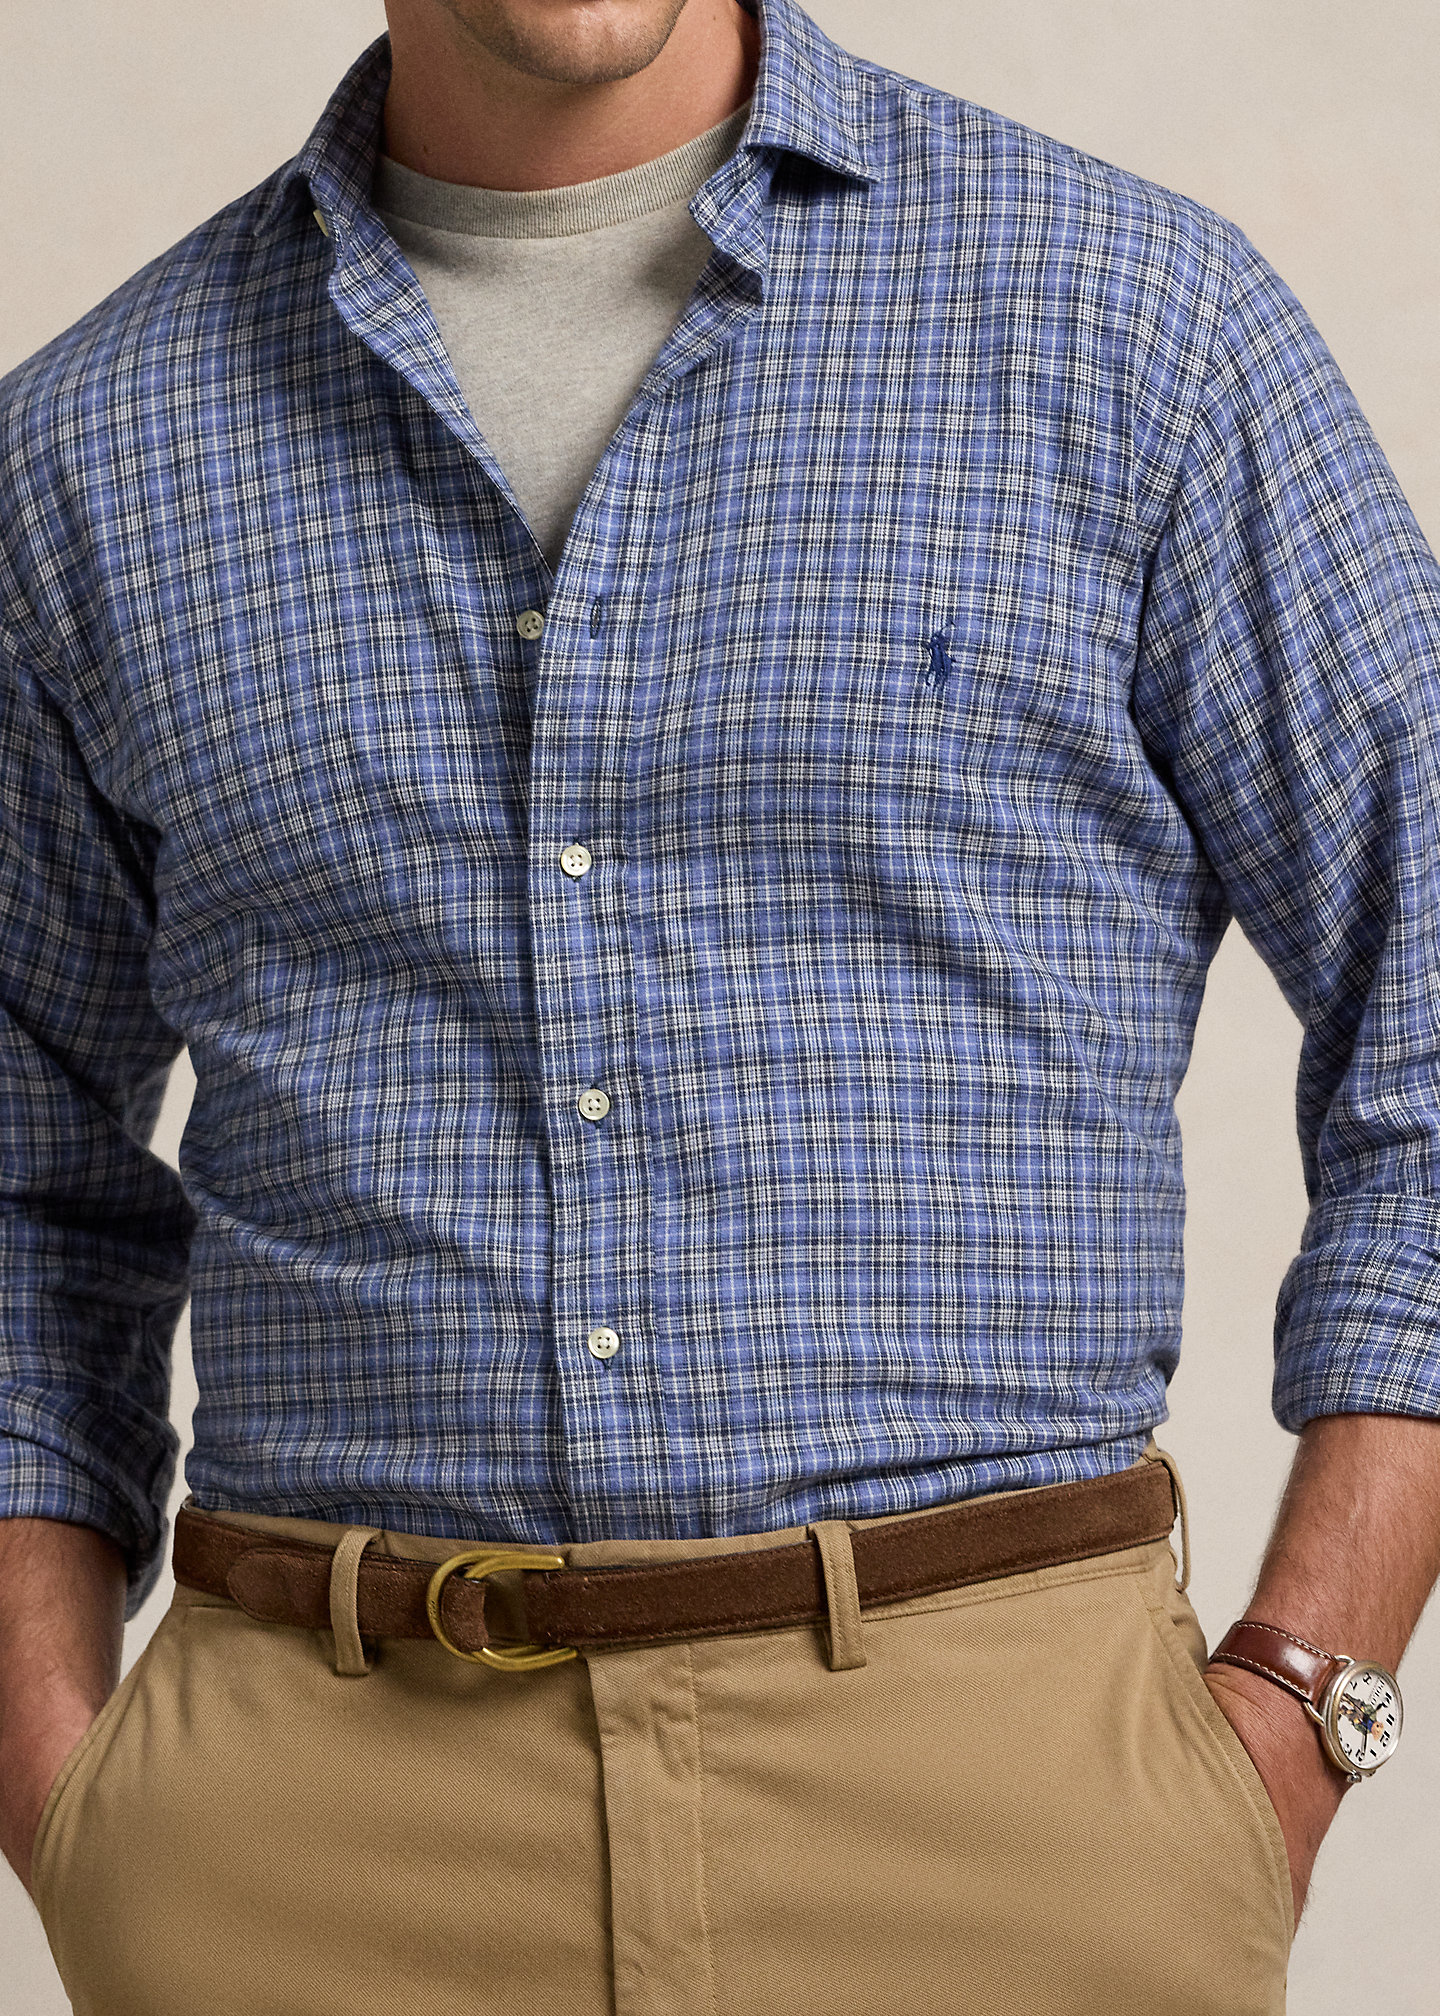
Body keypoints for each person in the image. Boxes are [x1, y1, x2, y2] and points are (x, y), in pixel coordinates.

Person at [2, 0, 1438, 2008]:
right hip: (301, 1850)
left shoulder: (1138, 329)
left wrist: (1306, 1695)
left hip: (1014, 1834)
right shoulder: (94, 448)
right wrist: (68, 1801)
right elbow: (21, 1176)